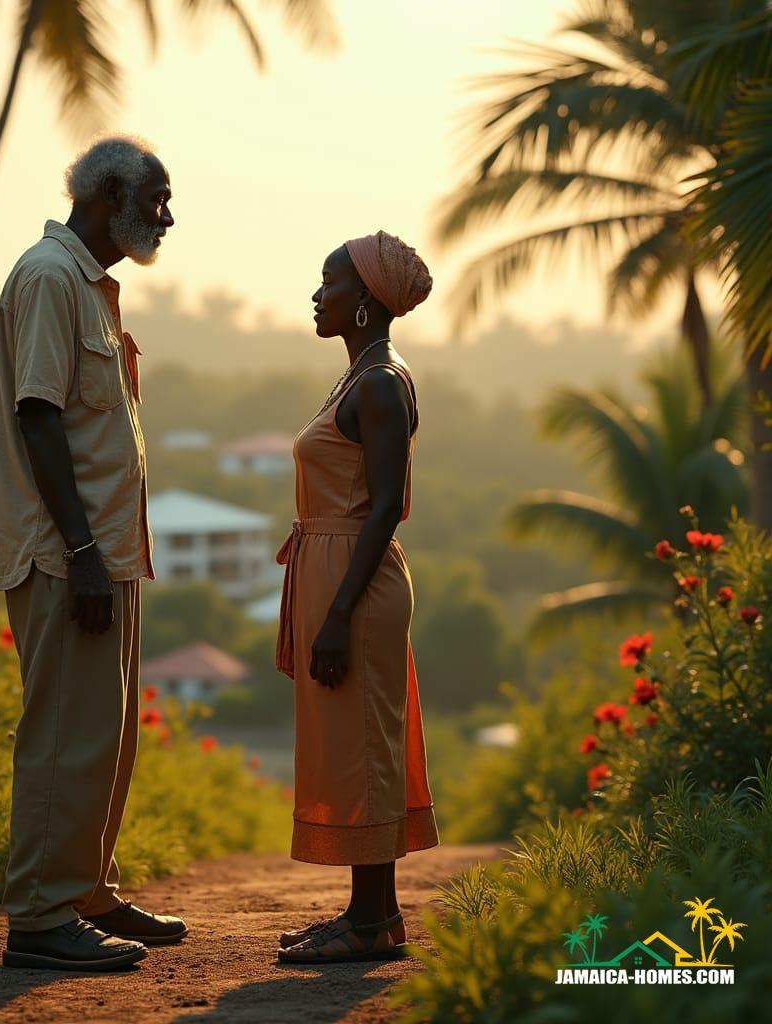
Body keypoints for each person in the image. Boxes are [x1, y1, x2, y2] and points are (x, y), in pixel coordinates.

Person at [0, 134, 186, 972]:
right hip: (69, 558)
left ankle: (85, 892)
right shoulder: (50, 277)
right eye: (157, 199)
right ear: (108, 195)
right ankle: (38, 918)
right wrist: (85, 550)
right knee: (65, 735)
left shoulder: (94, 287)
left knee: (104, 735)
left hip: (104, 556)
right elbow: (39, 416)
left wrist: (107, 554)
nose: (168, 218)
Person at [274, 230, 440, 964]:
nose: (318, 294)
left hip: (356, 581)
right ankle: (374, 913)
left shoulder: (379, 382)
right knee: (355, 742)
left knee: (366, 745)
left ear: (367, 303)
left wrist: (339, 613)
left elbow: (384, 507)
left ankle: (368, 926)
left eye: (330, 282)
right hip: (332, 569)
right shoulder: (359, 374)